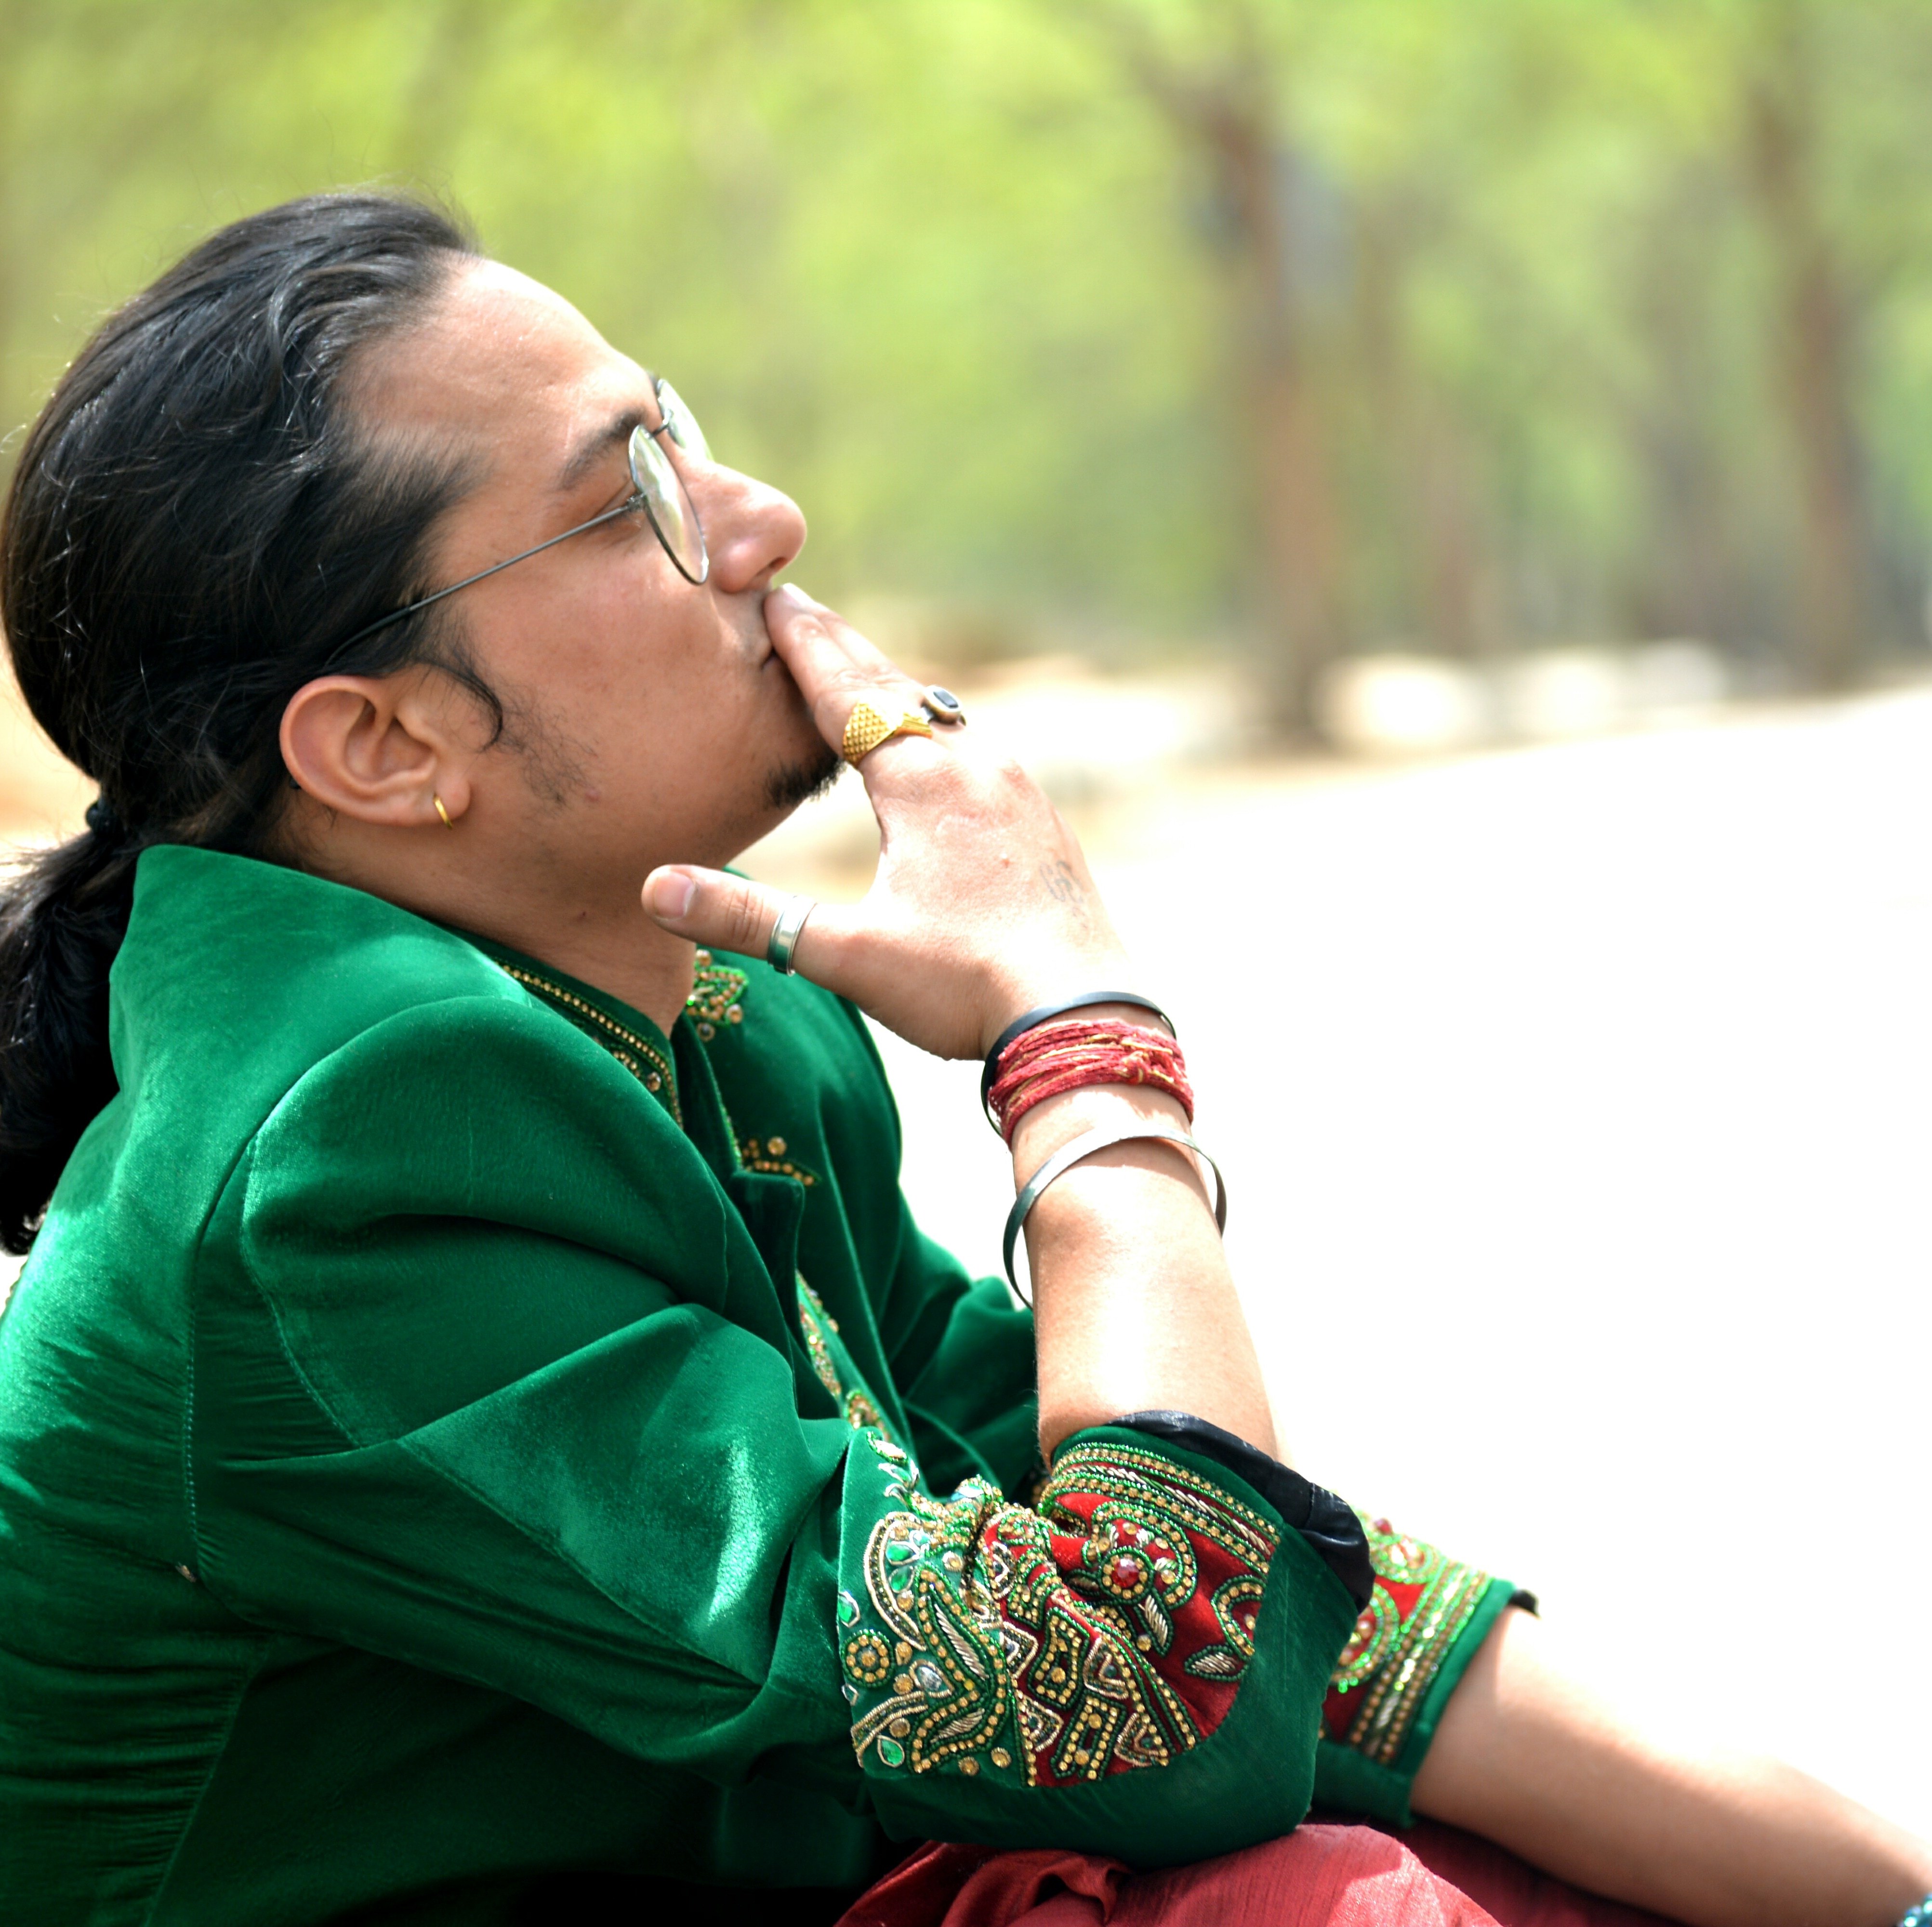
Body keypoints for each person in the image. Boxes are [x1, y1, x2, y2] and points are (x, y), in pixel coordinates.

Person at [0, 192, 1922, 1927]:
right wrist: (1083, 1053)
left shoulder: (711, 1011)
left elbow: (1206, 1581)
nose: (759, 521)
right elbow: (1139, 1698)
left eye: (681, 428)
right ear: (388, 748)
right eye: (635, 497)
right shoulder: (346, 1156)